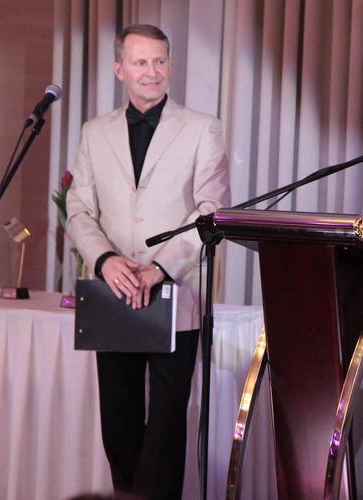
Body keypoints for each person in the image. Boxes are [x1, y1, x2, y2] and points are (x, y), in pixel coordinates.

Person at [66, 24, 229, 499]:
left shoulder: (202, 128)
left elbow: (211, 212)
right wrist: (105, 260)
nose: (152, 71)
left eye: (160, 61)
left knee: (164, 432)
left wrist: (159, 268)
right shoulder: (94, 131)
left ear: (170, 66)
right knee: (118, 427)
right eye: (140, 62)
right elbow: (79, 210)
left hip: (175, 294)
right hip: (113, 292)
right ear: (119, 69)